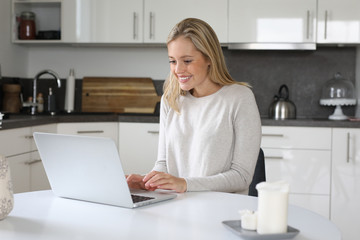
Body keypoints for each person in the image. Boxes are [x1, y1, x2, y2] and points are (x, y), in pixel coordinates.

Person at [127, 18, 261, 194]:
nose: (178, 70)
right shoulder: (171, 99)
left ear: (209, 59)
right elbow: (164, 164)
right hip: (177, 205)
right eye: (173, 61)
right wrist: (147, 181)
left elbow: (242, 176)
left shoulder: (239, 98)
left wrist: (185, 184)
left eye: (187, 61)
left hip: (221, 208)